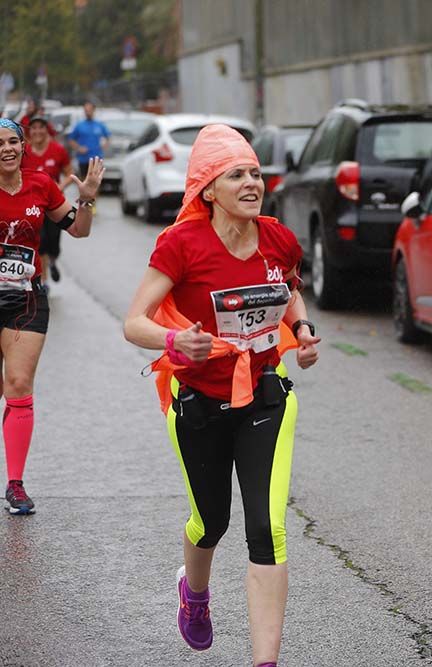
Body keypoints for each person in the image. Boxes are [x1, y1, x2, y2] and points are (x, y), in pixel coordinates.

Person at [123, 124, 321, 667]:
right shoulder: (181, 244)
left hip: (264, 398)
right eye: (237, 174)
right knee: (212, 522)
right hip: (198, 405)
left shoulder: (278, 237)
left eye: (255, 172)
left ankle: (265, 662)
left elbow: (289, 291)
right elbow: (133, 322)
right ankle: (196, 594)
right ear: (209, 189)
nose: (252, 182)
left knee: (268, 528)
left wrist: (300, 332)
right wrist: (173, 339)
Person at [0, 118, 103, 514]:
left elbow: (79, 230)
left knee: (19, 382)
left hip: (25, 298)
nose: (8, 148)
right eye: (1, 143)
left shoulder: (40, 185)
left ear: (24, 146)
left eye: (14, 141)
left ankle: (15, 484)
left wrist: (88, 198)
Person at [20, 115, 73, 287]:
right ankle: (44, 281)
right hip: (31, 205)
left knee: (53, 242)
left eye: (40, 127)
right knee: (40, 241)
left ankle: (52, 260)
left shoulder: (58, 150)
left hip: (54, 204)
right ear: (29, 132)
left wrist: (59, 186)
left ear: (46, 130)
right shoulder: (23, 151)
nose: (37, 131)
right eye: (33, 128)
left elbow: (70, 173)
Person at [66, 101, 109, 176]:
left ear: (94, 110)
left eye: (89, 110)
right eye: (86, 110)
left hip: (96, 159)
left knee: (96, 182)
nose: (87, 112)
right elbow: (71, 140)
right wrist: (79, 148)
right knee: (84, 181)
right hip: (83, 159)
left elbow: (108, 137)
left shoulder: (99, 125)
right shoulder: (79, 125)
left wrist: (104, 145)